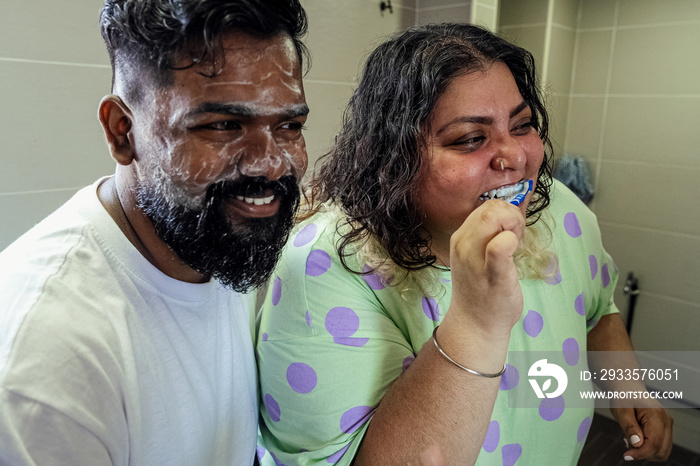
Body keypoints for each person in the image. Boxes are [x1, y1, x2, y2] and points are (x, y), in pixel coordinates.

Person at [255, 23, 673, 465]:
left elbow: (598, 310)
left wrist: (631, 389)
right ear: (392, 157)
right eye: (471, 138)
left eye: (523, 124)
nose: (513, 157)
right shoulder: (324, 264)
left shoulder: (558, 210)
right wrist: (476, 322)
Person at [0, 0, 309, 464]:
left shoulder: (211, 238)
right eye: (224, 125)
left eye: (289, 125)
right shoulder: (44, 364)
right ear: (122, 132)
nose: (269, 163)